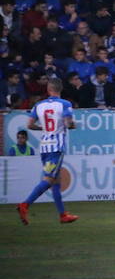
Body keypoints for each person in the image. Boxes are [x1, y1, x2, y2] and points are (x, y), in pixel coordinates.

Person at [16, 78, 79, 225]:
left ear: (48, 90)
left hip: (44, 147)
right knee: (49, 180)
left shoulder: (38, 105)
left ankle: (63, 215)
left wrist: (43, 128)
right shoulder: (65, 104)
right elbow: (68, 123)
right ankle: (25, 204)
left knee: (56, 182)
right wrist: (72, 125)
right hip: (56, 148)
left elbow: (29, 125)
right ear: (60, 89)